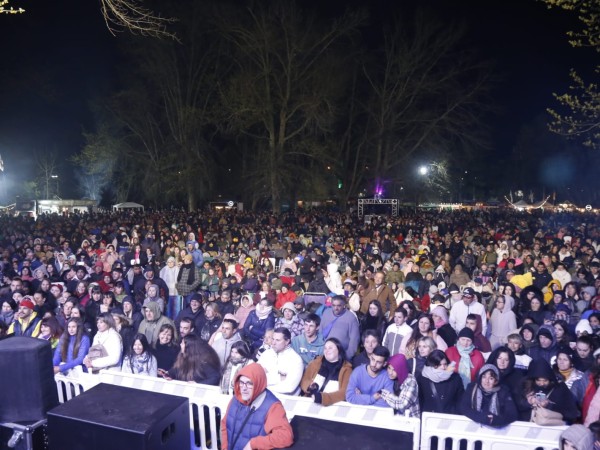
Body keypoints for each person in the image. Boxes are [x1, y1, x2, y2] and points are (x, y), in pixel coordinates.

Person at [220, 363, 294, 450]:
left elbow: (285, 436)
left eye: (249, 383)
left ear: (259, 383)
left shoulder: (272, 406)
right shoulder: (236, 398)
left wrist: (253, 444)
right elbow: (225, 424)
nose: (244, 388)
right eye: (241, 382)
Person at [521, 358, 580, 424]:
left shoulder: (560, 388)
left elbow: (571, 413)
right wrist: (529, 403)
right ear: (533, 379)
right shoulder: (527, 387)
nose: (542, 383)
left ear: (550, 379)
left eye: (545, 380)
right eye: (538, 380)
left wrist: (549, 405)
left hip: (553, 427)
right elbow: (518, 408)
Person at [300, 337, 353, 406]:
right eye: (325, 348)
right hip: (309, 403)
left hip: (333, 407)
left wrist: (323, 398)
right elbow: (304, 380)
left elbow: (344, 393)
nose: (327, 350)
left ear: (339, 350)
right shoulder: (314, 363)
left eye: (330, 348)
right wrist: (309, 386)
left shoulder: (347, 370)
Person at [258, 327, 304, 395]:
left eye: (277, 340)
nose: (273, 343)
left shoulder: (296, 360)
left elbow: (289, 387)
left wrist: (264, 382)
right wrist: (279, 377)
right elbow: (256, 376)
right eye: (273, 339)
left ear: (287, 341)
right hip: (263, 394)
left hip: (283, 399)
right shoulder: (266, 353)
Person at [417, 349, 464, 414]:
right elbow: (419, 400)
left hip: (448, 417)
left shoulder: (455, 378)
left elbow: (460, 400)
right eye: (439, 365)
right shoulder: (423, 378)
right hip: (429, 418)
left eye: (445, 364)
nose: (443, 367)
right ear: (432, 365)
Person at [319, 295, 360, 360]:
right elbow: (320, 332)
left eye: (339, 305)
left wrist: (347, 357)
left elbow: (354, 340)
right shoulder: (326, 313)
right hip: (324, 352)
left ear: (344, 305)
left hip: (341, 355)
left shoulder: (351, 318)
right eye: (334, 305)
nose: (336, 308)